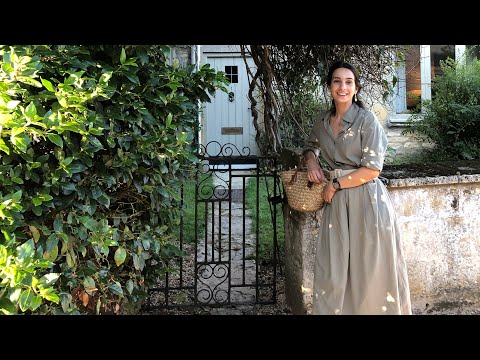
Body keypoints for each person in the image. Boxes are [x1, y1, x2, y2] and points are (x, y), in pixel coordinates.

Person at [302, 61, 412, 315]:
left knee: (369, 271)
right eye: (337, 81)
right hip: (338, 206)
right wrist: (311, 162)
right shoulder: (323, 121)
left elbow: (373, 169)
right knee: (334, 269)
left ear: (356, 87)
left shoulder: (367, 120)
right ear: (329, 87)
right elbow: (310, 146)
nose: (343, 87)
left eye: (348, 82)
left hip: (367, 203)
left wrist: (336, 183)